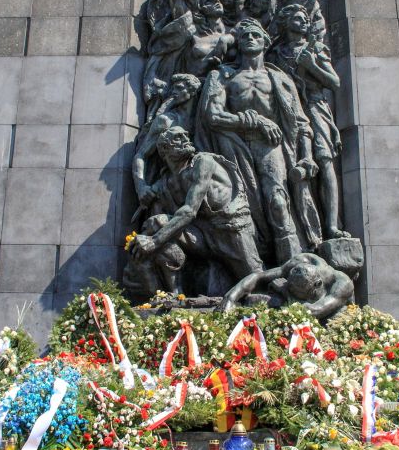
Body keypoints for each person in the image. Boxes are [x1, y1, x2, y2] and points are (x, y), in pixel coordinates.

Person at [197, 18, 319, 262]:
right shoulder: (222, 75)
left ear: (265, 42)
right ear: (238, 45)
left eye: (255, 35)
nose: (250, 39)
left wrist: (306, 156)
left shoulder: (281, 79)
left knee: (277, 202)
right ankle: (253, 268)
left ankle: (292, 264)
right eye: (244, 36)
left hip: (270, 145)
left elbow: (301, 123)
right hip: (233, 146)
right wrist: (252, 121)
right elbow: (212, 115)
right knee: (242, 207)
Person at [126, 127, 263, 296]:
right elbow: (153, 202)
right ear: (164, 149)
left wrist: (154, 241)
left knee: (257, 282)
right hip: (202, 234)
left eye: (185, 134)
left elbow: (189, 211)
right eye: (177, 137)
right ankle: (171, 297)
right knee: (156, 223)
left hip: (231, 230)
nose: (185, 138)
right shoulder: (167, 180)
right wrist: (144, 191)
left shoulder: (203, 162)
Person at [268, 4, 349, 239]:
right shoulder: (275, 53)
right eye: (297, 18)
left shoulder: (315, 49)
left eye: (305, 18)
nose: (303, 21)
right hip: (285, 112)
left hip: (313, 108)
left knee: (324, 162)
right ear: (286, 23)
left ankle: (332, 225)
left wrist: (311, 65)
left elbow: (334, 82)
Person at [132, 73, 202, 209]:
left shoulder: (202, 119)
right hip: (171, 186)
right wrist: (141, 187)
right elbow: (141, 155)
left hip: (199, 179)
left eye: (179, 88)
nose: (173, 92)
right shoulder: (165, 121)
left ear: (193, 91)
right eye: (173, 88)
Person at [219, 253, 354, 321]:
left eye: (295, 291)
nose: (288, 288)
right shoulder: (302, 261)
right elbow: (258, 277)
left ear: (317, 285)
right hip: (295, 315)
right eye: (288, 285)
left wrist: (284, 292)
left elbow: (314, 311)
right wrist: (230, 298)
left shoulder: (342, 285)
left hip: (327, 320)